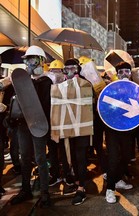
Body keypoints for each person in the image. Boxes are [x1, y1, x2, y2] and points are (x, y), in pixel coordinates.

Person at [10, 45, 52, 207]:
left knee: (40, 158)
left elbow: (44, 103)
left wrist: (28, 81)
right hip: (23, 125)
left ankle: (45, 193)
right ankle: (25, 189)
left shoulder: (46, 81)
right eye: (28, 60)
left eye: (33, 59)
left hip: (38, 123)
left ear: (41, 61)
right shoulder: (20, 80)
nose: (30, 63)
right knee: (25, 158)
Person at [58, 58, 92, 205]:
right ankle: (76, 180)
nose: (70, 71)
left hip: (82, 127)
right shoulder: (60, 85)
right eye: (67, 69)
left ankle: (81, 187)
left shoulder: (86, 83)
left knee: (81, 157)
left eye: (73, 68)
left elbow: (91, 103)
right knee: (69, 156)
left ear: (78, 69)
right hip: (67, 127)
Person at [104, 61, 135, 204]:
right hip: (112, 129)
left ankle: (117, 179)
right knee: (113, 158)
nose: (124, 74)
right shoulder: (110, 88)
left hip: (127, 129)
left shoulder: (135, 89)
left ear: (130, 73)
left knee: (128, 155)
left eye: (126, 71)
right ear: (117, 74)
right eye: (121, 71)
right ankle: (110, 189)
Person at [45, 60, 74, 188]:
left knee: (65, 150)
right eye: (53, 71)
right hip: (49, 123)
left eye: (58, 71)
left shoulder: (68, 86)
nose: (56, 74)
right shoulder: (45, 85)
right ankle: (55, 174)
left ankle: (68, 173)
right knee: (52, 151)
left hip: (63, 123)